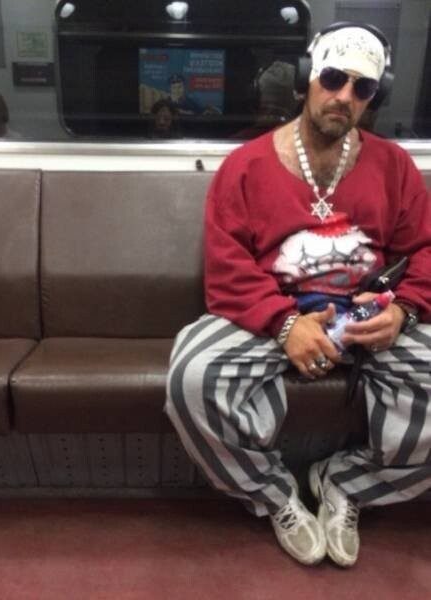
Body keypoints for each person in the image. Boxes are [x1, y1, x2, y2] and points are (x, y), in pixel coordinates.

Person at [165, 23, 431, 568]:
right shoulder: (245, 166)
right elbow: (227, 267)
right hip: (272, 311)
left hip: (367, 315)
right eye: (333, 78)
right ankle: (275, 493)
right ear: (308, 78)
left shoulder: (394, 167)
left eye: (362, 88)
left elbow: (424, 250)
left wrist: (404, 311)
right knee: (191, 378)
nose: (344, 96)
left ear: (374, 97)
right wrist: (285, 324)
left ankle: (348, 482)